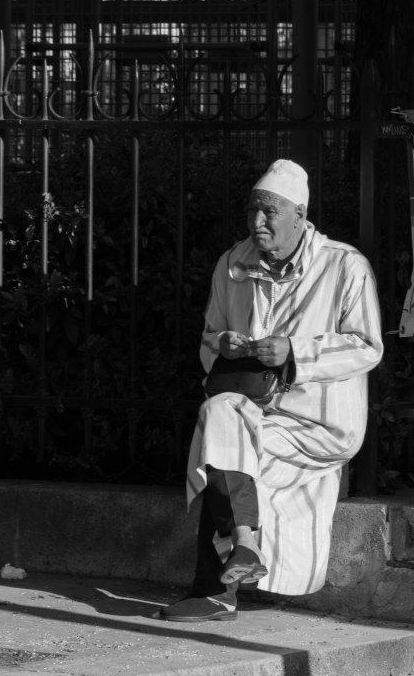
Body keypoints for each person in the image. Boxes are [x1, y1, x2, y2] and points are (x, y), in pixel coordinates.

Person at [161, 158, 383, 622]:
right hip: (252, 410)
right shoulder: (232, 263)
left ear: (300, 215)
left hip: (319, 424)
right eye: (252, 212)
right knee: (220, 419)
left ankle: (213, 590)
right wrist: (225, 343)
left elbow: (367, 346)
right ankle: (244, 546)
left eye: (270, 212)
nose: (257, 222)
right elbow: (208, 338)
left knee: (221, 448)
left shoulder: (345, 266)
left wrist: (294, 352)